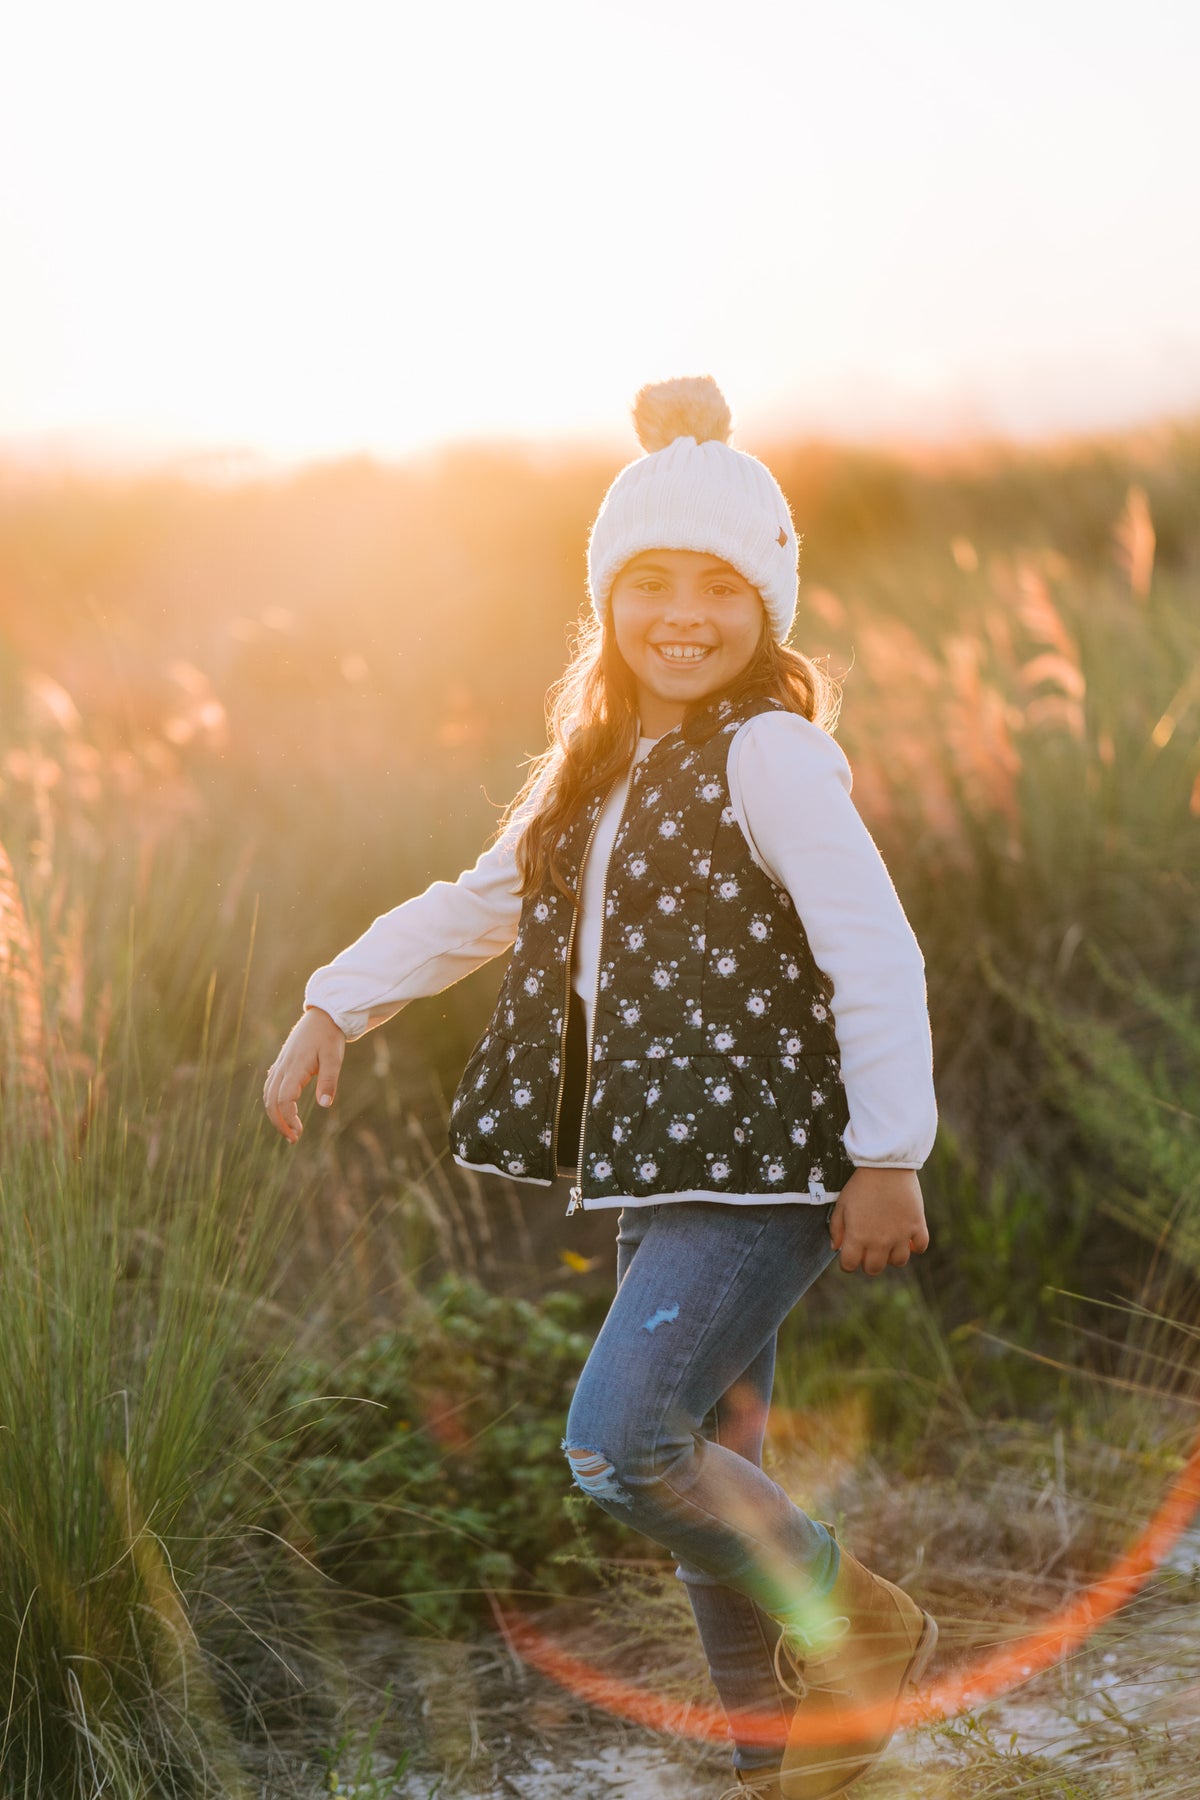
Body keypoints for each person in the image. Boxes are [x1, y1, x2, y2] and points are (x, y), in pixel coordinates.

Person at [263, 376, 939, 1800]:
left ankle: (868, 1623)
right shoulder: (593, 774)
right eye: (648, 584)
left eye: (719, 586)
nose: (683, 615)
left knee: (623, 1447)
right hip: (655, 1172)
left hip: (762, 1178)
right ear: (605, 600)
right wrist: (336, 999)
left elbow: (872, 947)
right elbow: (474, 904)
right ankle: (785, 1748)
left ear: (768, 608)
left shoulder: (771, 755)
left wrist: (891, 1151)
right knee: (704, 1464)